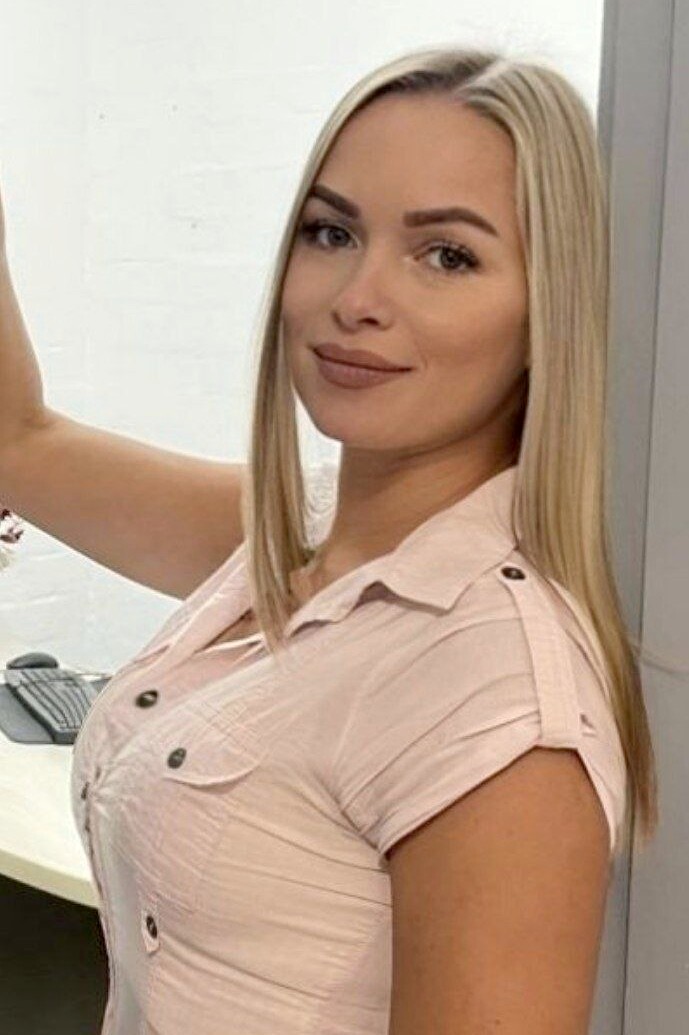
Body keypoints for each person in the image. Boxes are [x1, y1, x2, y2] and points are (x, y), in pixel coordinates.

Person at [0, 46, 658, 1035]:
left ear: (547, 311)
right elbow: (20, 444)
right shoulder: (300, 532)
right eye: (331, 232)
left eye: (446, 255)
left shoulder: (498, 700)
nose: (357, 297)